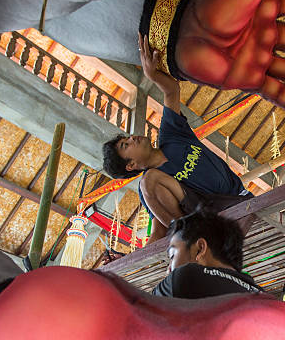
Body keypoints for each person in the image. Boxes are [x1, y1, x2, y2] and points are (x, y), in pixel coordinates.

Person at [103, 34, 253, 244]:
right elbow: (159, 230)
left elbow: (172, 91)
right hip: (210, 220)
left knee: (150, 180)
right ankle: (188, 236)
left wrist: (151, 74)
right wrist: (142, 261)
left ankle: (191, 236)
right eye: (126, 145)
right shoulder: (152, 185)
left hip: (238, 198)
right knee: (149, 181)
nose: (132, 138)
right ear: (132, 165)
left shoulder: (171, 134)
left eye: (127, 138)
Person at [152, 209, 261, 298]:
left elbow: (139, 306)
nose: (168, 269)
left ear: (199, 249)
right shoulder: (261, 294)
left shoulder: (186, 276)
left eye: (172, 256)